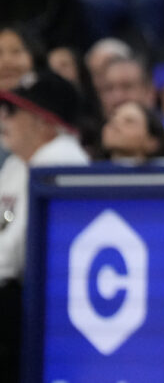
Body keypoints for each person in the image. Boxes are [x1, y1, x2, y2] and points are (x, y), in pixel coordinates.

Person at [0, 71, 89, 379]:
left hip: (45, 308)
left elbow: (16, 255)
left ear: (43, 122)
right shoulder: (18, 163)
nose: (4, 119)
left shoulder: (62, 161)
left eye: (14, 112)